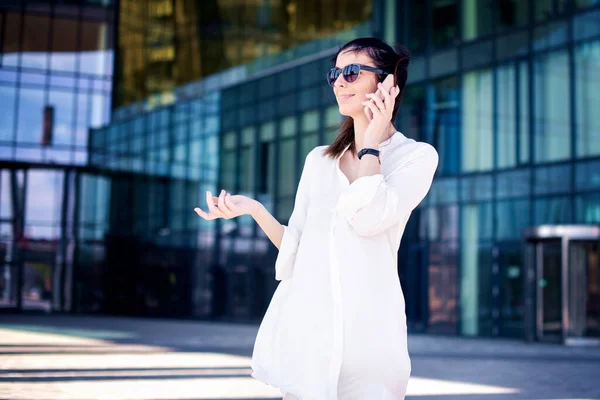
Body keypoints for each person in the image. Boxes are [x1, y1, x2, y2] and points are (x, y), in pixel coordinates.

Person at [194, 37, 439, 400]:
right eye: (335, 73)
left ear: (387, 83)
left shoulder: (415, 157)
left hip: (370, 336)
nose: (340, 81)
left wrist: (370, 143)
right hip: (311, 333)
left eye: (353, 71)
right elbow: (297, 248)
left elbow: (369, 219)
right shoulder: (318, 161)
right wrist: (255, 210)